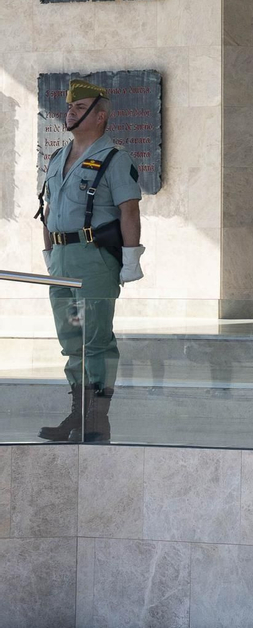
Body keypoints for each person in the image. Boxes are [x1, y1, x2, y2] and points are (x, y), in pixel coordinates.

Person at [36, 79, 145, 444]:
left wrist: (131, 259)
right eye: (70, 107)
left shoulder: (115, 158)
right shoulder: (55, 158)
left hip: (94, 261)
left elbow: (128, 210)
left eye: (80, 108)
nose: (71, 111)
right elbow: (49, 211)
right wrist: (50, 255)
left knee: (95, 339)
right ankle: (78, 413)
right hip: (63, 262)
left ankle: (97, 419)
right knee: (71, 338)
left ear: (100, 117)